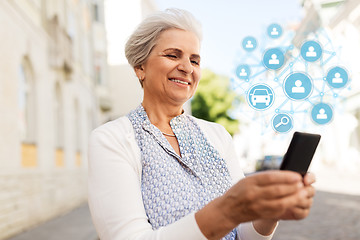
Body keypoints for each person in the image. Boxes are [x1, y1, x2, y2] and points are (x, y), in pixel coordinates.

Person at [88, 8, 315, 240]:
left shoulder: (217, 135)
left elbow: (246, 236)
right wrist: (228, 209)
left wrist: (269, 212)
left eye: (194, 60)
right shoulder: (112, 139)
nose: (187, 68)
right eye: (173, 55)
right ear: (140, 67)